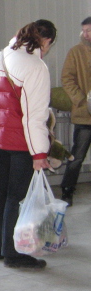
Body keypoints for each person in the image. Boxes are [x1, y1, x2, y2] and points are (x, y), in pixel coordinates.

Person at [0, 19, 57, 269]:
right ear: (46, 41)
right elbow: (35, 117)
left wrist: (2, 102)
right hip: (21, 143)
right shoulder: (36, 66)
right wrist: (39, 153)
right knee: (16, 197)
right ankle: (13, 254)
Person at [59, 16, 91, 206]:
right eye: (84, 30)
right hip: (84, 115)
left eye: (89, 30)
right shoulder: (76, 52)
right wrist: (81, 100)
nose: (85, 34)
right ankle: (67, 190)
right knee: (77, 156)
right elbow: (67, 78)